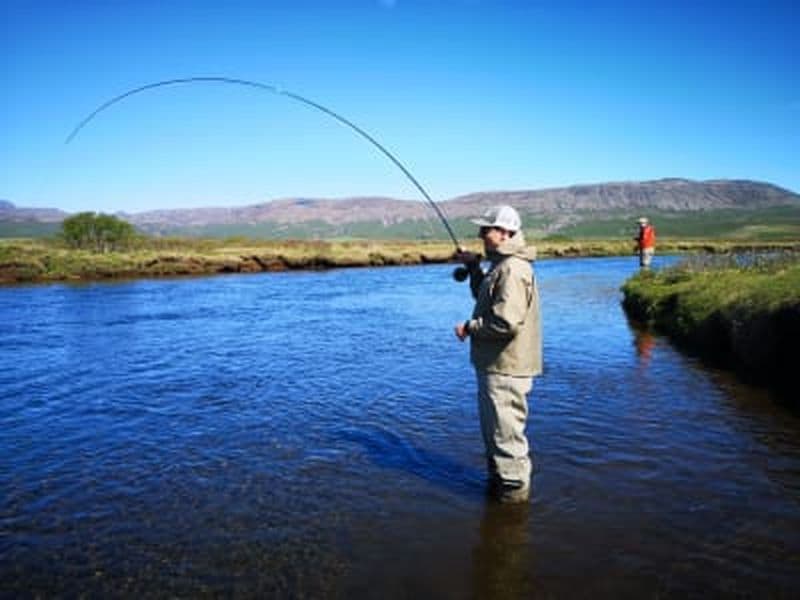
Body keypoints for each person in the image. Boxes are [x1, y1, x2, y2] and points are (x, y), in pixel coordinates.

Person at [454, 205, 542, 503]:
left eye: (486, 229)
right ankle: (502, 501)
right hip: (499, 365)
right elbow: (487, 298)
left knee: (506, 441)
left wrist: (470, 327)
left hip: (506, 368)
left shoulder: (512, 269)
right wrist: (474, 268)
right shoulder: (502, 265)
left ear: (505, 233)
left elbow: (505, 323)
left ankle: (513, 509)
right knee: (497, 437)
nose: (481, 234)